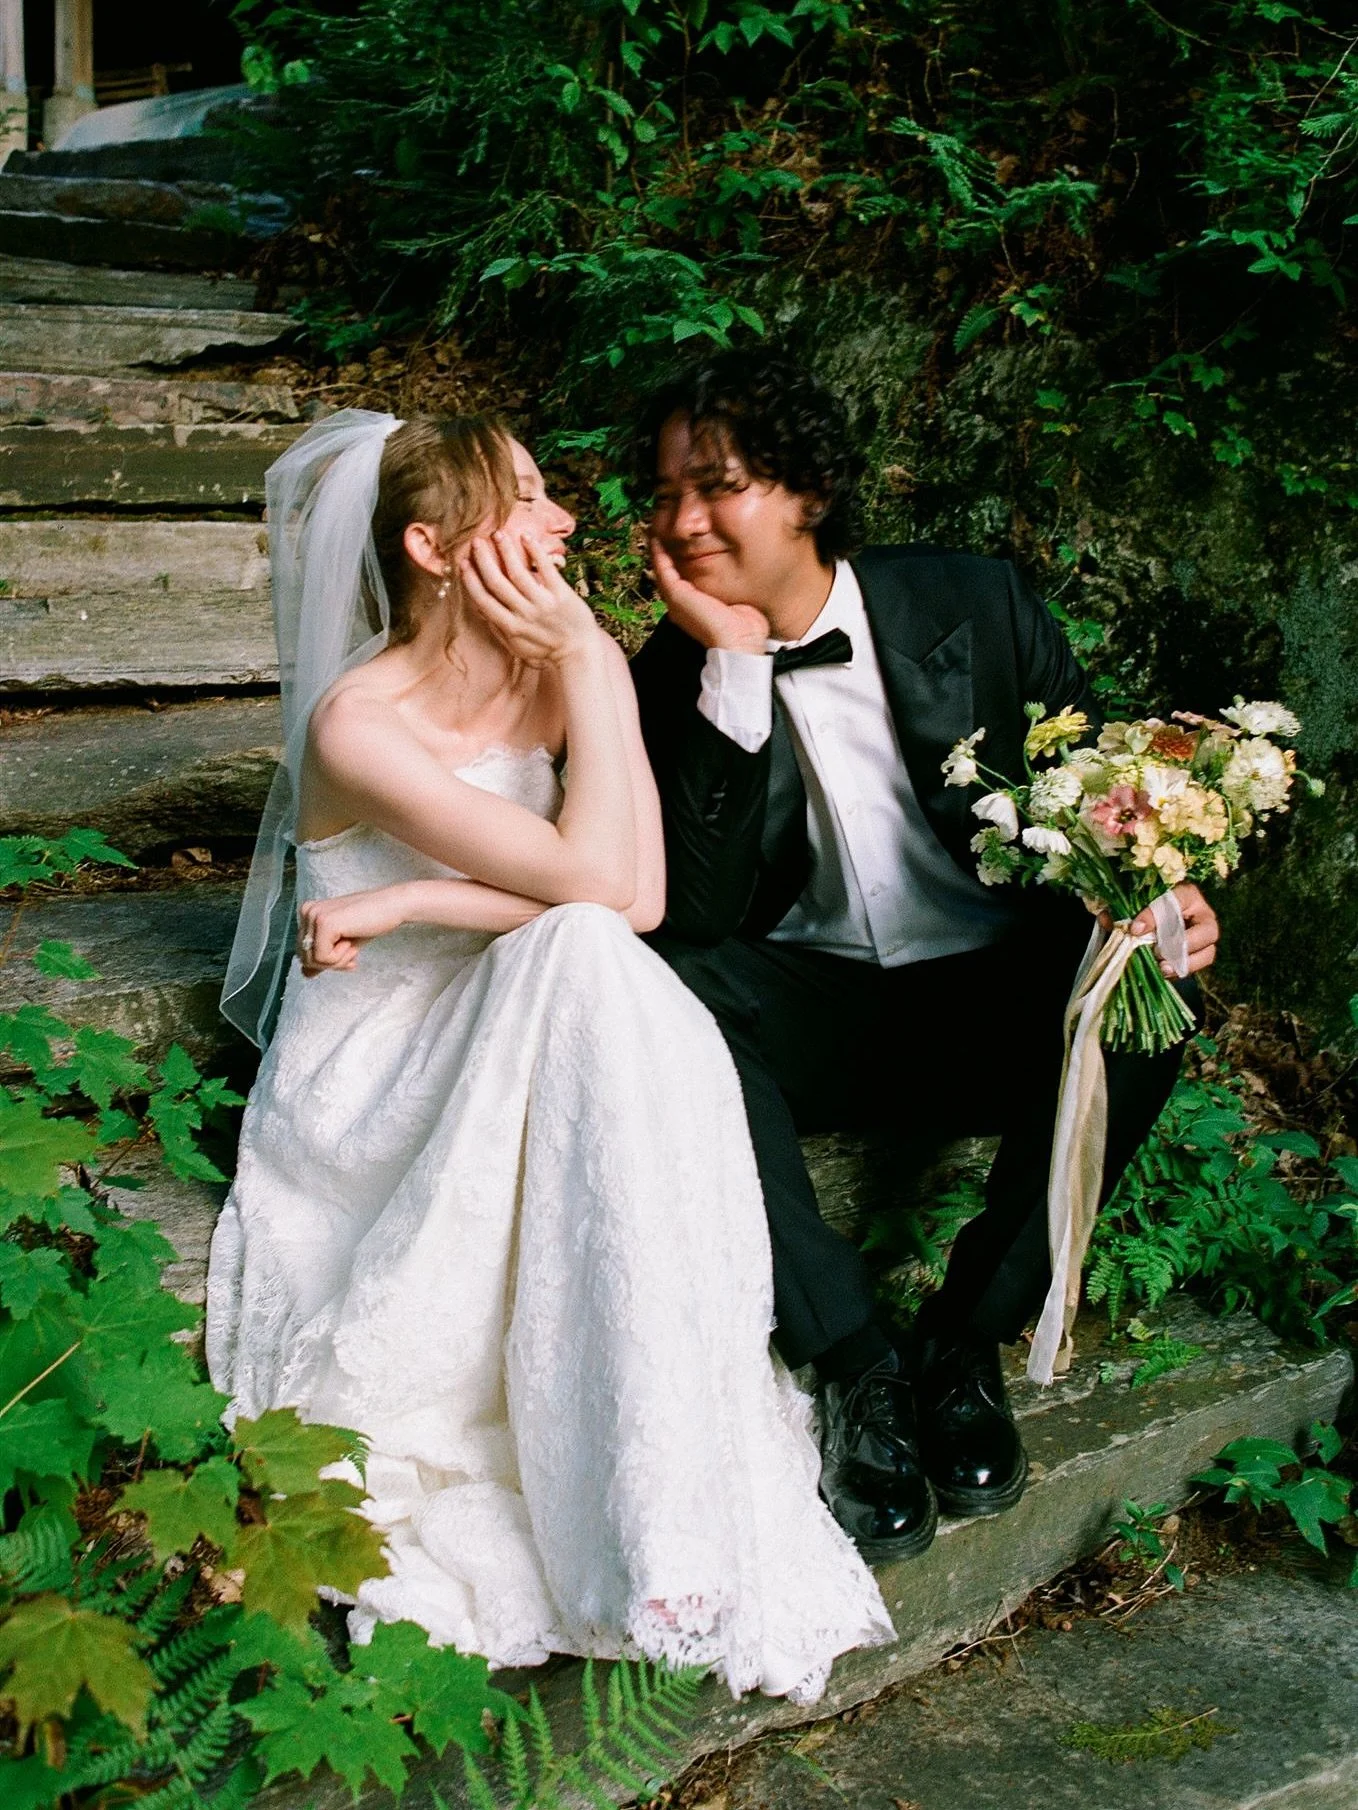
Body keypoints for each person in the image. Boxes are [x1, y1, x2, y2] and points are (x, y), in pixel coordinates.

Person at [204, 408, 893, 1703]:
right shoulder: (359, 722)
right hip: (380, 1065)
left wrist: (419, 889)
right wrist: (584, 666)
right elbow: (598, 890)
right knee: (584, 956)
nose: (565, 517)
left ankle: (651, 1489)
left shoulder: (556, 665)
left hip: (535, 998)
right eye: (525, 496)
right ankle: (641, 1503)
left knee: (589, 960)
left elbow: (636, 899)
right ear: (432, 545)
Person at [628, 349, 1220, 1561]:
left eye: (717, 486)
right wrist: (730, 668)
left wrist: (1160, 888)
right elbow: (692, 911)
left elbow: (1101, 793)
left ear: (807, 490)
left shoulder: (974, 603)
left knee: (1147, 978)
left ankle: (961, 1338)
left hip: (988, 1002)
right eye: (665, 494)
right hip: (811, 1013)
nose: (682, 521)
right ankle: (853, 1357)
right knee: (656, 977)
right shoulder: (666, 674)